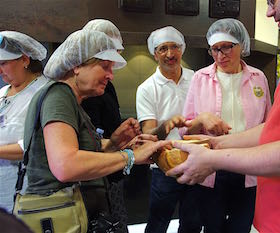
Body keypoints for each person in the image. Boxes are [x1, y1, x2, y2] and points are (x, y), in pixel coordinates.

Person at [168, 0, 280, 232]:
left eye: (273, 1)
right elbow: (274, 128)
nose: (268, 11)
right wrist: (213, 144)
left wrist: (212, 158)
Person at [22, 29, 168, 231]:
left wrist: (115, 143)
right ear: (77, 66)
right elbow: (66, 166)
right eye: (105, 66)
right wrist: (130, 156)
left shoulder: (71, 100)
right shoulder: (59, 95)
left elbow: (79, 151)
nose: (111, 76)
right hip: (60, 216)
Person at [180, 18, 271, 233]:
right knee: (213, 226)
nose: (221, 55)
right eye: (215, 49)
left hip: (249, 166)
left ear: (242, 45)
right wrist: (201, 119)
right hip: (212, 167)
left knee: (240, 226)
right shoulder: (200, 78)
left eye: (227, 47)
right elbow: (185, 130)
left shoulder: (259, 78)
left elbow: (269, 124)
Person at [136, 26, 201, 233]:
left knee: (192, 223)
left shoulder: (198, 79)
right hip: (164, 167)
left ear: (182, 49)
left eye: (175, 47)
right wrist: (168, 124)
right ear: (155, 54)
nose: (170, 54)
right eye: (163, 48)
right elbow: (148, 136)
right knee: (158, 223)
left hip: (196, 160)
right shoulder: (147, 88)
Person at [80, 18, 129, 232]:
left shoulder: (106, 86)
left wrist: (125, 138)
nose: (110, 72)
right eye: (105, 63)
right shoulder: (74, 94)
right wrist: (128, 150)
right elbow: (87, 143)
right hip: (91, 178)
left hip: (111, 171)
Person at [0, 31, 48, 212]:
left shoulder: (44, 92)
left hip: (26, 192)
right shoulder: (3, 92)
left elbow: (34, 146)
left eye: (3, 63)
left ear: (25, 60)